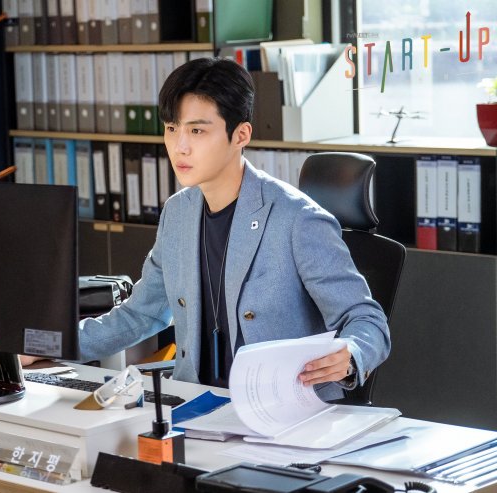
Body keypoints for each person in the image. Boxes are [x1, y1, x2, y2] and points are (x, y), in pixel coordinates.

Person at [29, 57, 390, 401]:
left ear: (241, 135)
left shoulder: (297, 219)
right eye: (172, 129)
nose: (180, 146)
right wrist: (43, 344)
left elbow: (366, 320)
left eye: (197, 130)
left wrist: (351, 354)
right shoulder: (178, 213)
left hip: (280, 412)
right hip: (195, 404)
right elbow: (140, 314)